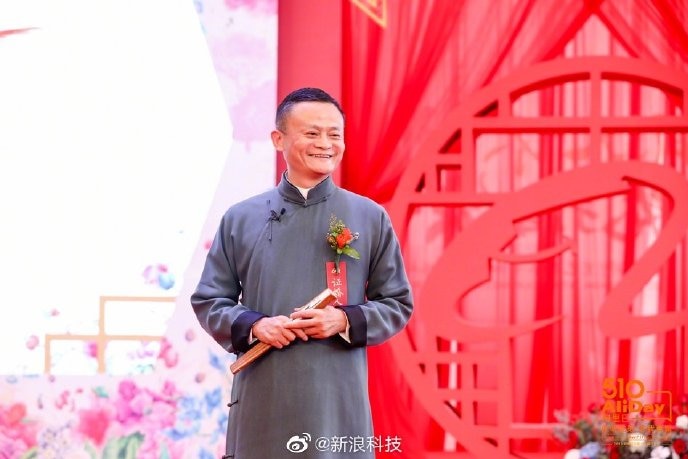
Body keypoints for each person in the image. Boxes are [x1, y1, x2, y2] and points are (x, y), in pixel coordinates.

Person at [191, 87, 413, 458]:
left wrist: (342, 320)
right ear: (279, 139)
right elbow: (210, 300)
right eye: (311, 133)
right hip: (265, 394)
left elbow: (397, 303)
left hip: (337, 399)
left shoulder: (369, 216)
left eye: (334, 134)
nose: (325, 143)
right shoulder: (241, 218)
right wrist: (256, 325)